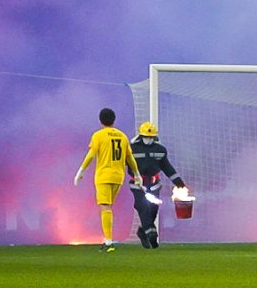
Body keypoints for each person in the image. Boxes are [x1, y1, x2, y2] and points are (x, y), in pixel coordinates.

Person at [74, 107, 142, 252]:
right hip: (118, 176)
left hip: (103, 175)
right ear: (114, 120)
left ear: (100, 120)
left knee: (105, 207)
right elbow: (130, 158)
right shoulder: (122, 136)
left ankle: (108, 242)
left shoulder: (98, 135)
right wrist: (137, 174)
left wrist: (81, 170)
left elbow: (91, 154)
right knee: (109, 206)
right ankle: (108, 238)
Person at [128, 121, 188, 249]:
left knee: (153, 209)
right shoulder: (131, 149)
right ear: (140, 136)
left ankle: (143, 231)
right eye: (145, 137)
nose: (148, 140)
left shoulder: (160, 150)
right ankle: (151, 234)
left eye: (150, 137)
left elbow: (167, 167)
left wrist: (179, 183)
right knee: (143, 206)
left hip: (154, 184)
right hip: (138, 184)